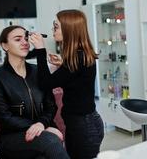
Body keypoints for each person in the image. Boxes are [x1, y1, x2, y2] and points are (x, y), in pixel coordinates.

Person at [29, 9, 104, 159]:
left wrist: (40, 51)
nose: (53, 30)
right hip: (88, 121)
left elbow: (45, 83)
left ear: (68, 29)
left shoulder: (75, 59)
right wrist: (63, 64)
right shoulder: (82, 54)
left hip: (83, 126)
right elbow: (77, 79)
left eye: (56, 26)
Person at [0, 25, 70, 159]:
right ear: (5, 46)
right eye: (17, 39)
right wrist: (38, 127)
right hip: (13, 136)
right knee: (49, 141)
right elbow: (4, 117)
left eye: (26, 38)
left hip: (43, 130)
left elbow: (51, 106)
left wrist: (42, 124)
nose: (25, 42)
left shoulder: (38, 71)